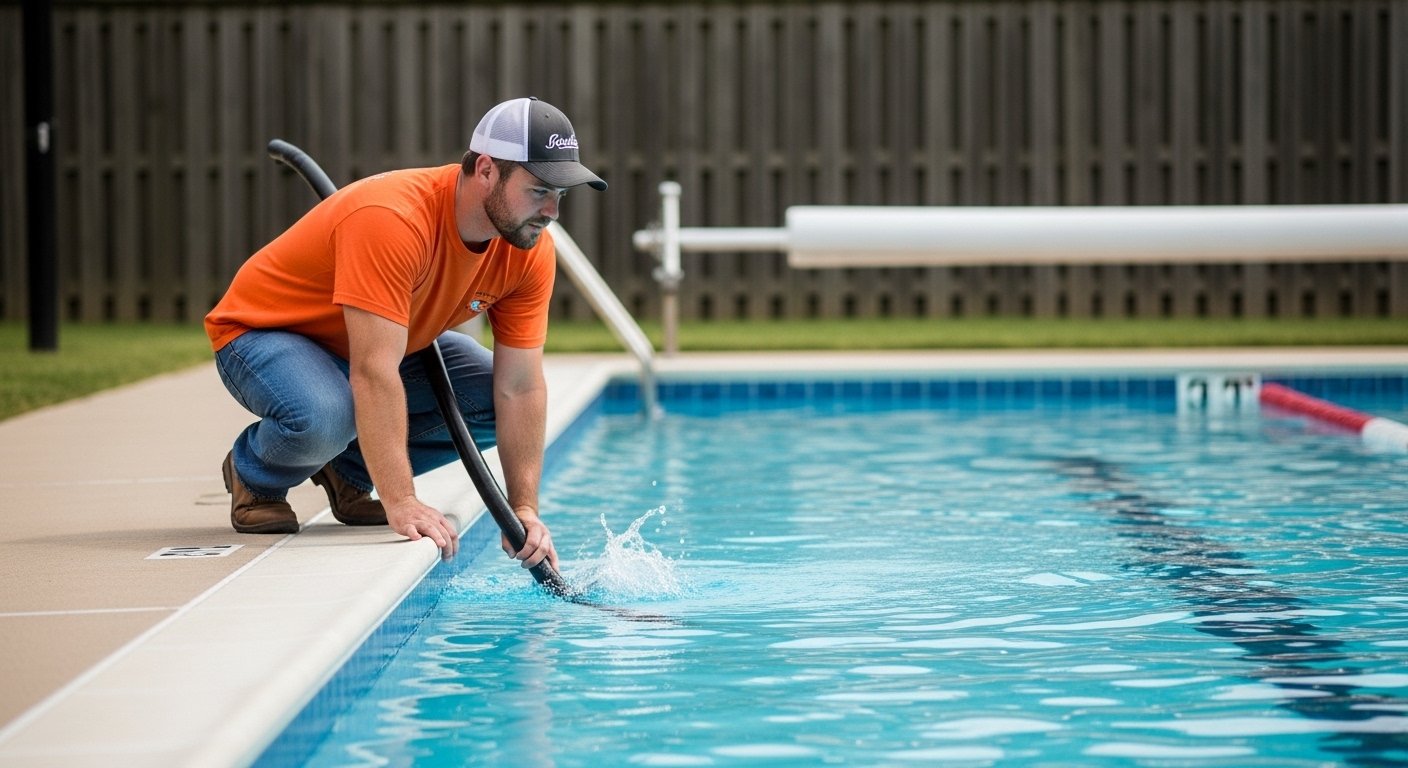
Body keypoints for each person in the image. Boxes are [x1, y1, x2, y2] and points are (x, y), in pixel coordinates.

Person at [204, 96, 606, 566]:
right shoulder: (392, 219)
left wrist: (524, 510)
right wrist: (401, 499)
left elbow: (520, 387)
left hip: (379, 343)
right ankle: (255, 475)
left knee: (488, 396)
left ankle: (347, 472)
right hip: (266, 333)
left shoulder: (529, 250)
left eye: (562, 195)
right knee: (327, 415)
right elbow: (374, 371)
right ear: (487, 171)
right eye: (540, 191)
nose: (552, 211)